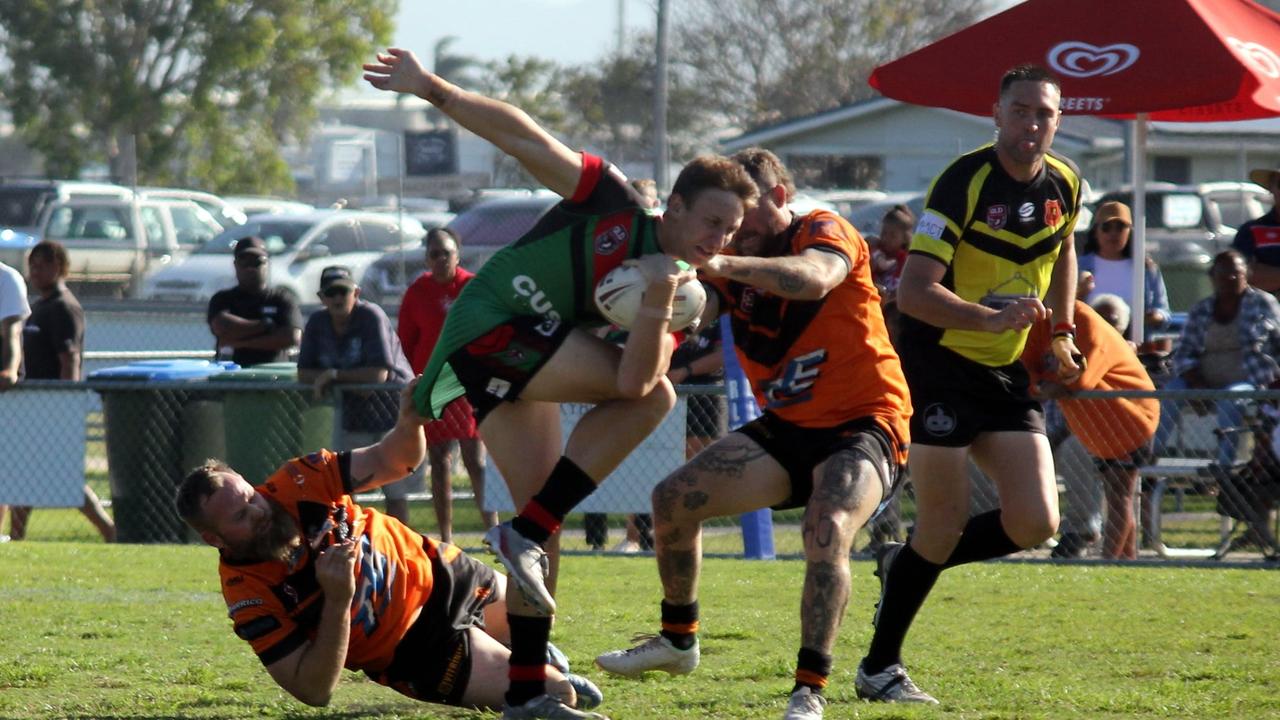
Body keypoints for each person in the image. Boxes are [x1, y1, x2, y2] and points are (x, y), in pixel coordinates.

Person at [365, 46, 757, 719]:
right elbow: (525, 137)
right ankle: (526, 539)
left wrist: (662, 300)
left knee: (539, 539)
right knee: (655, 401)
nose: (719, 240)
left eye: (733, 231)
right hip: (489, 325)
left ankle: (525, 689)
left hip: (517, 361)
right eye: (712, 222)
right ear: (676, 205)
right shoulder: (614, 201)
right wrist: (432, 88)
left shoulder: (683, 292)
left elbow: (634, 377)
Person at [595, 148, 912, 720]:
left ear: (781, 198)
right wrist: (651, 297)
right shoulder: (734, 254)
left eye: (745, 214)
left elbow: (814, 279)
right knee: (672, 500)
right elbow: (698, 305)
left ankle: (809, 689)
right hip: (787, 426)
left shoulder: (821, 229)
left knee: (828, 526)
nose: (733, 230)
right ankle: (678, 640)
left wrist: (722, 265)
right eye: (724, 220)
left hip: (865, 421)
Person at [856, 65, 1084, 704]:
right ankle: (879, 669)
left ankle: (904, 569)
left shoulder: (1066, 181)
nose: (1031, 124)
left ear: (1057, 120)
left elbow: (1064, 249)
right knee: (942, 524)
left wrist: (1061, 332)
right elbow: (916, 292)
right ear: (997, 113)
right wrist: (993, 316)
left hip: (1005, 368)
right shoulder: (964, 182)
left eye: (1044, 112)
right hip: (943, 362)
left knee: (1037, 522)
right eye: (1020, 111)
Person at [173, 380, 602, 715]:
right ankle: (536, 668)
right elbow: (313, 691)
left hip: (447, 573)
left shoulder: (297, 481)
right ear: (215, 539)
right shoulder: (248, 594)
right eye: (241, 516)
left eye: (251, 496)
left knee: (538, 608)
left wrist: (409, 422)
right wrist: (338, 601)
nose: (259, 510)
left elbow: (394, 461)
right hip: (419, 649)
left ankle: (528, 655)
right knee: (555, 693)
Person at [1158, 250, 1280, 555]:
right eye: (1222, 274)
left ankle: (1222, 469)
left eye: (1235, 273)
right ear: (1211, 278)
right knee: (1173, 389)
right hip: (1204, 381)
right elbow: (1183, 352)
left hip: (1249, 383)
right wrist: (1196, 382)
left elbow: (1274, 350)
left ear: (1245, 274)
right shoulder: (1202, 310)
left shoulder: (1263, 304)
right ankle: (1149, 455)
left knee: (1232, 399)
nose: (1229, 279)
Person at [1023, 298, 1157, 560]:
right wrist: (1043, 384)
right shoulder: (1041, 323)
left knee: (1120, 495)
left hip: (1130, 422)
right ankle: (1126, 560)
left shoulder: (1088, 323)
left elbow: (1082, 378)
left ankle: (1108, 562)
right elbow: (1024, 367)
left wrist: (1045, 384)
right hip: (1096, 430)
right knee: (1116, 494)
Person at [10, 241, 115, 542]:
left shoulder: (64, 307)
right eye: (31, 266)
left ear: (59, 266)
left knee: (64, 477)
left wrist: (65, 405)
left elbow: (69, 357)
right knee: (24, 474)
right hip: (33, 405)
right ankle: (17, 537)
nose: (34, 272)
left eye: (41, 266)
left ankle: (110, 531)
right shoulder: (40, 306)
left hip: (53, 405)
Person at [397, 228, 498, 542]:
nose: (441, 259)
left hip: (466, 381)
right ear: (427, 257)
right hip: (434, 382)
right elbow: (406, 342)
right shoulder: (417, 293)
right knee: (439, 461)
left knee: (474, 459)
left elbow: (490, 330)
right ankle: (446, 537)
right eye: (434, 254)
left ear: (458, 254)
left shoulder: (472, 287)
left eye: (447, 253)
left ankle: (493, 532)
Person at [299, 266, 418, 526]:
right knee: (345, 486)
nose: (337, 298)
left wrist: (333, 376)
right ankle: (351, 545)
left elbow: (378, 376)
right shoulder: (317, 323)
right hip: (353, 414)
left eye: (343, 290)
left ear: (356, 292)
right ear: (322, 297)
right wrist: (339, 378)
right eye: (331, 293)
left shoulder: (371, 316)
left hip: (391, 412)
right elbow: (304, 373)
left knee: (395, 490)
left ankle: (405, 549)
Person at [1076, 201, 1171, 352]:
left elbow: (1164, 313)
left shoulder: (1146, 268)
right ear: (1095, 231)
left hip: (1134, 348)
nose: (1113, 233)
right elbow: (1065, 308)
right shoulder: (1078, 266)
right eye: (1106, 227)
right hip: (1089, 345)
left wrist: (1155, 316)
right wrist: (1079, 293)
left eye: (1120, 227)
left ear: (1130, 231)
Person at [207, 236, 302, 368]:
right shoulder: (222, 299)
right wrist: (266, 325)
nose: (250, 268)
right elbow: (221, 326)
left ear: (267, 264)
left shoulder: (281, 299)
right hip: (231, 376)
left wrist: (240, 343)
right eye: (244, 262)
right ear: (235, 265)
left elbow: (291, 337)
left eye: (257, 262)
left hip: (273, 376)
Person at [0, 258, 30, 542]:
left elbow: (12, 332)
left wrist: (9, 368)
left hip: (5, 396)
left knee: (8, 468)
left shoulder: (6, 279)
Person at [1234, 166, 1280, 295]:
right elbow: (1243, 276)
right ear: (1271, 188)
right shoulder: (1250, 231)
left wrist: (1269, 273)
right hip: (1263, 312)